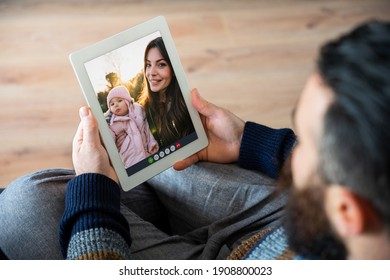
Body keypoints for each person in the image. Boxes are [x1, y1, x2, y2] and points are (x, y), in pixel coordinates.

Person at [0, 20, 389, 260]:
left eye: (304, 144)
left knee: (22, 205)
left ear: (346, 211)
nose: (294, 147)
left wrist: (94, 194)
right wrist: (251, 142)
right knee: (165, 156)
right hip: (288, 229)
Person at [137, 37, 195, 148]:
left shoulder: (187, 102)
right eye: (148, 65)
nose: (151, 73)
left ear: (174, 69)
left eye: (161, 64)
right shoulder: (145, 110)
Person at [106, 86, 159, 169]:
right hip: (130, 158)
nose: (116, 105)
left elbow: (146, 128)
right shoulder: (113, 123)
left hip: (147, 152)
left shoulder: (138, 111)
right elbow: (110, 139)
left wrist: (151, 142)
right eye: (112, 104)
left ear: (128, 101)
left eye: (119, 101)